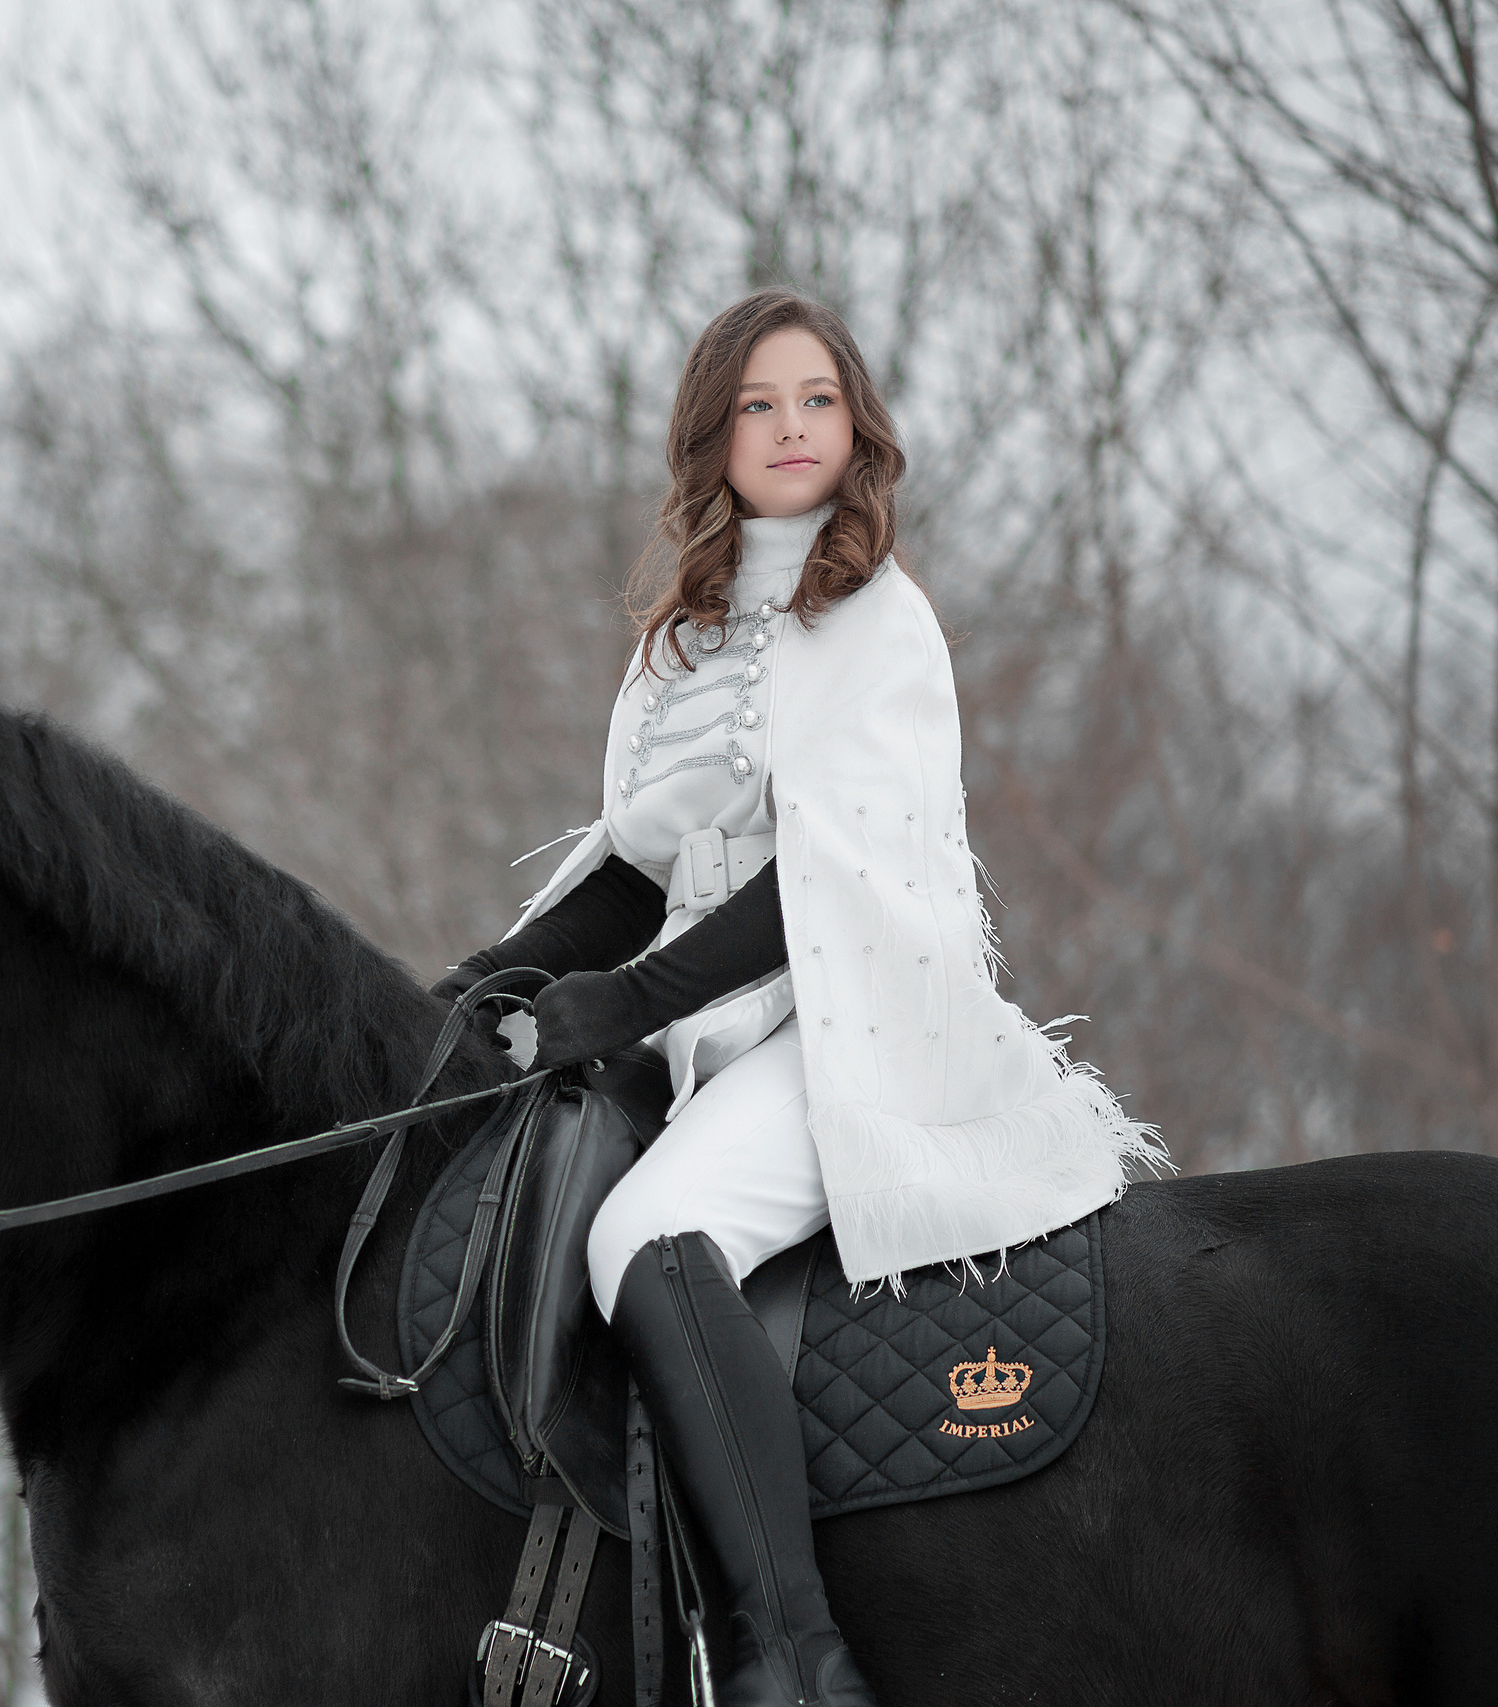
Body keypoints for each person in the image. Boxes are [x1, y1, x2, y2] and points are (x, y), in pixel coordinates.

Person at [434, 290, 1162, 1707]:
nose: (789, 428)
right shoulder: (674, 651)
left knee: (650, 1230)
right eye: (759, 404)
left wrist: (621, 1003)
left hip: (853, 1027)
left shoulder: (880, 623)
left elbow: (816, 888)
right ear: (713, 433)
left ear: (854, 426)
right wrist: (466, 992)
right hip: (706, 1030)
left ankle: (791, 1658)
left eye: (816, 400)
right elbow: (638, 872)